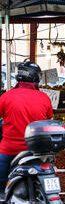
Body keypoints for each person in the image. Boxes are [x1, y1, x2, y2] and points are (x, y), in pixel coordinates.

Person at [0, 61, 53, 195]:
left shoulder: (6, 97)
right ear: (36, 78)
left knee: (1, 181)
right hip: (36, 150)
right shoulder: (44, 98)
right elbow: (49, 121)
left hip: (10, 149)